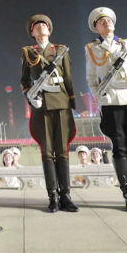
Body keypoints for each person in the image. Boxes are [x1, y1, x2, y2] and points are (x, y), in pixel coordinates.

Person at [85, 7, 127, 212]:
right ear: (96, 28)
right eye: (102, 21)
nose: (107, 23)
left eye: (109, 20)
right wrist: (98, 95)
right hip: (111, 101)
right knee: (120, 149)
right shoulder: (91, 48)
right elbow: (90, 77)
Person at [21, 14, 78, 213]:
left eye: (43, 25)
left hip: (61, 102)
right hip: (41, 105)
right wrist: (30, 97)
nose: (40, 28)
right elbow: (24, 79)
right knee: (47, 152)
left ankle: (66, 196)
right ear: (32, 33)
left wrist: (72, 102)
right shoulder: (28, 52)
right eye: (36, 26)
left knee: (62, 151)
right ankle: (52, 196)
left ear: (49, 29)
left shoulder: (61, 50)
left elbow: (68, 77)